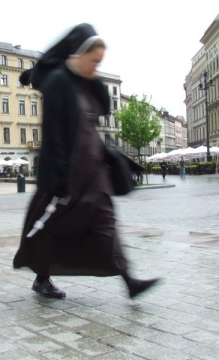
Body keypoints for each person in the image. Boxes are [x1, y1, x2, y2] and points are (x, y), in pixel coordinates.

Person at [13, 23, 158, 299]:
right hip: (67, 175)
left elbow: (105, 108)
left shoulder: (86, 82)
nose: (96, 66)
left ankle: (130, 281)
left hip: (94, 172)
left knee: (106, 224)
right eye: (93, 61)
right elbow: (53, 134)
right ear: (78, 54)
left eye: (100, 62)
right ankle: (41, 277)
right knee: (53, 230)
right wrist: (58, 181)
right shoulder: (57, 82)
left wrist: (93, 76)